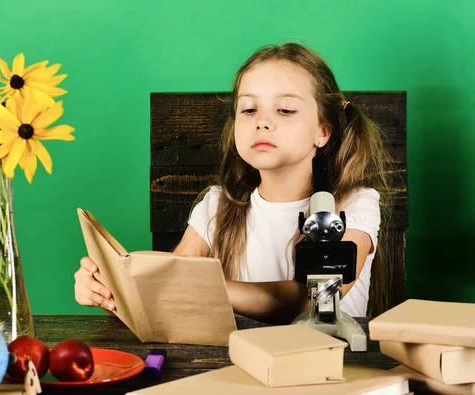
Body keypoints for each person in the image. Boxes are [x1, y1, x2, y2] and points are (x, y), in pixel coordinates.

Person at [74, 43, 391, 323]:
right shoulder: (217, 205)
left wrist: (204, 288)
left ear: (323, 130)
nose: (262, 121)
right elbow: (173, 273)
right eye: (249, 109)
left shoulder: (353, 206)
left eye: (286, 109)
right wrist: (113, 285)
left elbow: (315, 297)